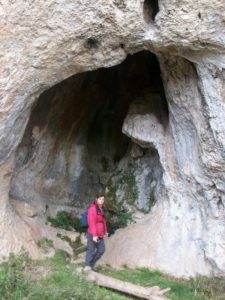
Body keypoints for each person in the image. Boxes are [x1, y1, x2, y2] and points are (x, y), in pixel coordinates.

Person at [85, 194, 107, 271]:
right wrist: (94, 235)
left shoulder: (101, 209)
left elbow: (103, 222)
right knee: (91, 249)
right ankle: (87, 266)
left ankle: (92, 264)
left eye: (103, 199)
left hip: (100, 235)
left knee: (101, 250)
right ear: (96, 199)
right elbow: (92, 222)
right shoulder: (93, 209)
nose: (102, 201)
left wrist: (105, 231)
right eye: (100, 199)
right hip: (92, 234)